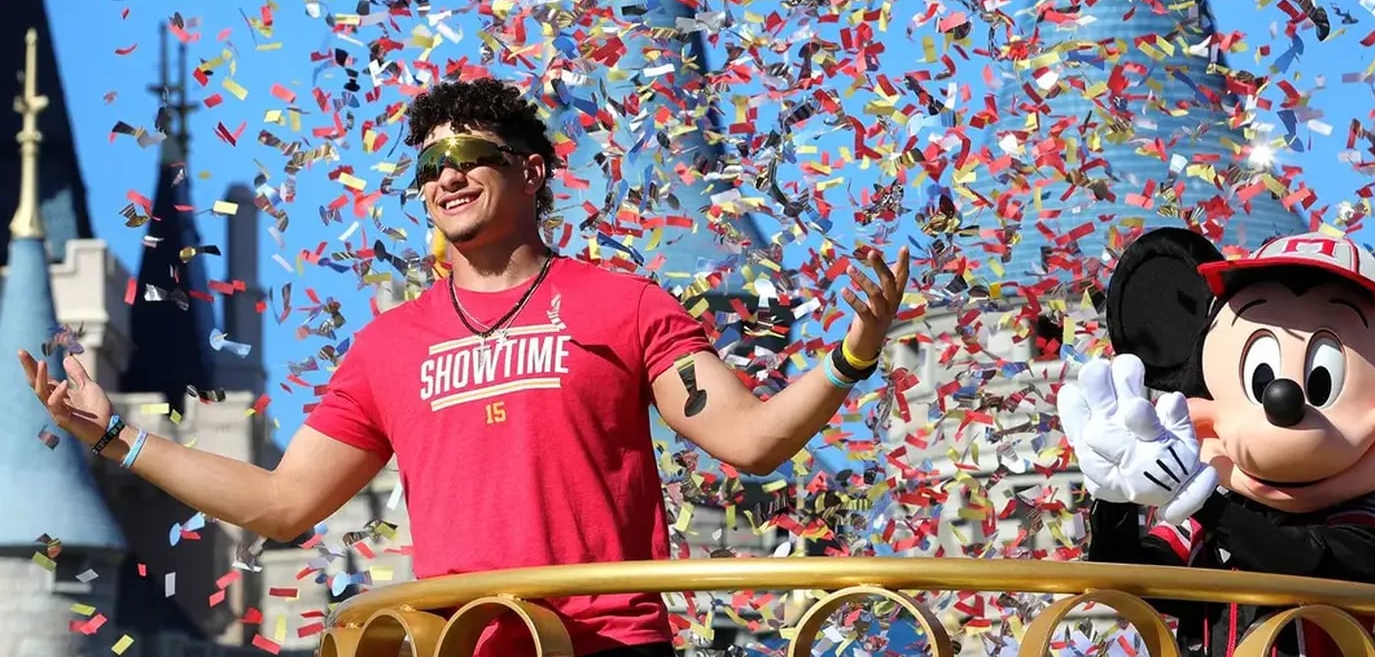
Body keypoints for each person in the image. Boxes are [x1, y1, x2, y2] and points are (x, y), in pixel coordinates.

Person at [21, 77, 912, 657]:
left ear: (531, 171)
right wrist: (113, 438)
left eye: (465, 158)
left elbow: (751, 442)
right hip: (461, 645)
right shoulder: (386, 347)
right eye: (427, 166)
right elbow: (282, 504)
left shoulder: (625, 306)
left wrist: (851, 355)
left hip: (603, 645)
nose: (442, 179)